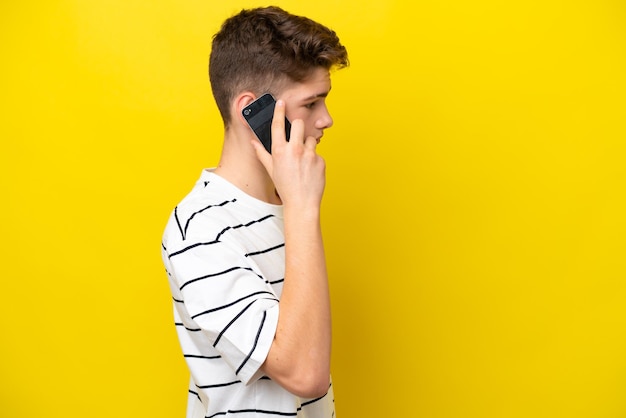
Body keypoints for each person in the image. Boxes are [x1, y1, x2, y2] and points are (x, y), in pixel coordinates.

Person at [160, 6, 349, 418]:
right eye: (312, 103)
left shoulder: (286, 205)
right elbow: (304, 374)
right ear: (253, 110)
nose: (327, 119)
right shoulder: (200, 229)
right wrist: (302, 209)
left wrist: (295, 205)